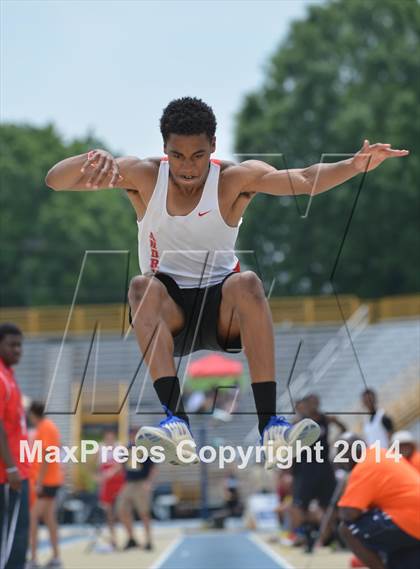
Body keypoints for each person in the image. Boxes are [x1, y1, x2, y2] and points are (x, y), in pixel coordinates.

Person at [45, 97, 408, 467]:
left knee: (247, 282)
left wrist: (354, 165)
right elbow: (55, 181)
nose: (188, 167)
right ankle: (176, 422)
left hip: (223, 310)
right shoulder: (143, 176)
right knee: (140, 286)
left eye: (198, 155)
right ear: (164, 149)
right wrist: (93, 157)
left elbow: (302, 181)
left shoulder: (233, 180)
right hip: (170, 314)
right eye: (178, 155)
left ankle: (271, 426)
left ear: (214, 147)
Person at [338, 433, 420, 569]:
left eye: (342, 453)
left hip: (408, 520)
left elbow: (349, 513)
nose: (340, 459)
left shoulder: (364, 465)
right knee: (396, 561)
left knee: (347, 529)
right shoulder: (382, 455)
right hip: (411, 522)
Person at [0, 323, 31, 569]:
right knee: (12, 540)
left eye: (20, 345)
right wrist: (11, 468)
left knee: (18, 534)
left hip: (18, 470)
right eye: (12, 345)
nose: (18, 350)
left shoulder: (9, 375)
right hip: (7, 474)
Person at [27, 401, 64, 569]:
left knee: (33, 517)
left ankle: (33, 559)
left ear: (33, 414)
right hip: (50, 479)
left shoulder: (46, 427)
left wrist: (40, 481)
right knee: (49, 519)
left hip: (47, 481)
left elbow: (47, 455)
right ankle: (56, 557)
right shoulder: (47, 426)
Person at [117, 428, 157, 551]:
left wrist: (149, 482)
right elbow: (121, 466)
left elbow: (153, 468)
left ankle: (149, 540)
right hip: (129, 483)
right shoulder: (126, 449)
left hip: (141, 482)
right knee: (122, 510)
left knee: (143, 512)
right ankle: (131, 538)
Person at [97, 430, 125, 550]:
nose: (109, 440)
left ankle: (128, 536)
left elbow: (121, 465)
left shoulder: (119, 447)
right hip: (107, 484)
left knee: (121, 511)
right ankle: (113, 539)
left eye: (111, 437)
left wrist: (111, 472)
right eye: (107, 438)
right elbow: (98, 466)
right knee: (108, 512)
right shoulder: (101, 448)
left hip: (118, 482)